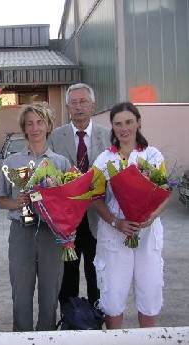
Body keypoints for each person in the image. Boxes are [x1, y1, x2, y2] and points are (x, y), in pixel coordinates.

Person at [92, 101, 168, 329]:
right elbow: (95, 199)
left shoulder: (153, 156)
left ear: (138, 123)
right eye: (118, 124)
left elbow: (164, 194)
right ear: (112, 127)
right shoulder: (104, 160)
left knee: (149, 292)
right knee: (113, 295)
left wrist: (151, 217)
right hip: (115, 235)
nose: (124, 128)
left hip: (146, 234)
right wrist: (116, 222)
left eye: (128, 122)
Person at [0, 103, 70, 331]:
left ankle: (47, 335)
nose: (35, 128)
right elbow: (0, 199)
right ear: (24, 129)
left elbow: (69, 203)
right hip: (21, 232)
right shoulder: (12, 162)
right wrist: (16, 203)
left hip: (51, 234)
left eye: (39, 122)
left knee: (50, 292)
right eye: (29, 124)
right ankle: (22, 336)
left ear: (48, 126)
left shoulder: (61, 163)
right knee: (21, 292)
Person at [47, 83, 110, 308]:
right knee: (68, 279)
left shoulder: (108, 135)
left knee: (98, 278)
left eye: (83, 102)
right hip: (67, 222)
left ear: (92, 106)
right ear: (67, 107)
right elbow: (50, 175)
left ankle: (97, 323)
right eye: (73, 102)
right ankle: (69, 323)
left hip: (98, 217)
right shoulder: (55, 136)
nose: (79, 107)